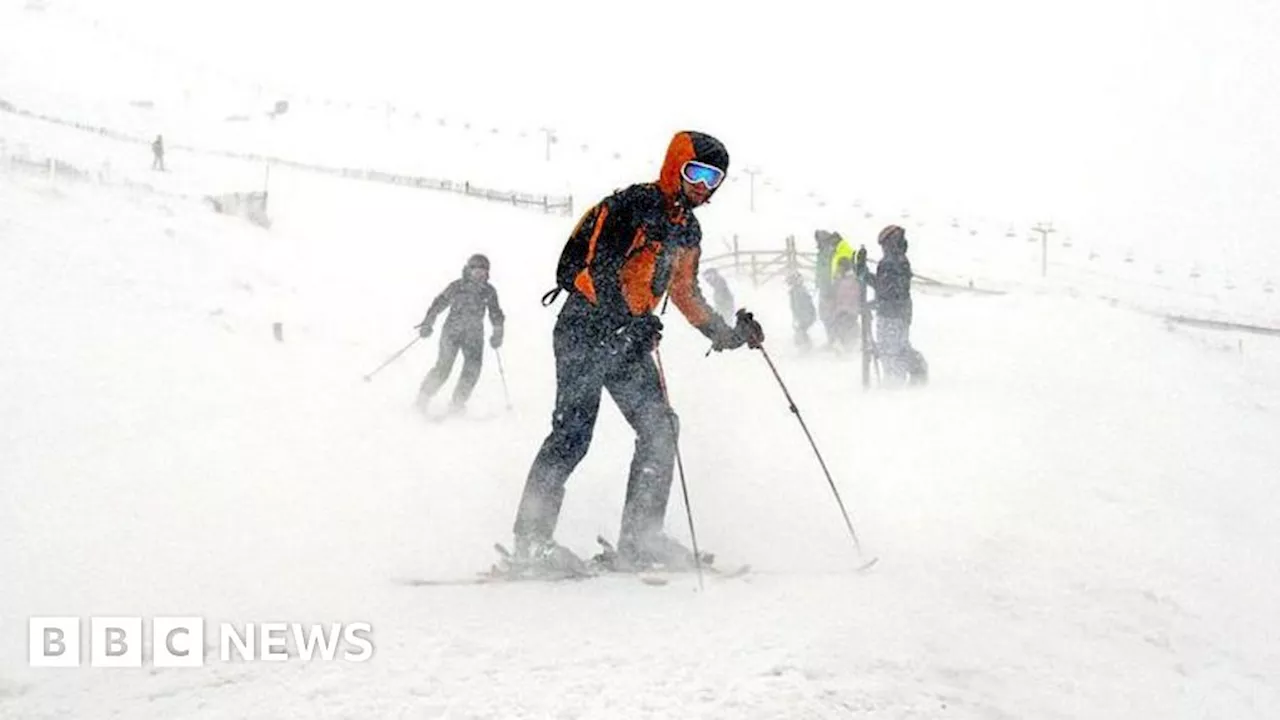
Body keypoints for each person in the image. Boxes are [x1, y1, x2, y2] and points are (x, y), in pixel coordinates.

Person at [511, 131, 764, 574]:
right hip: (585, 330)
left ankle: (641, 538)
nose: (703, 185)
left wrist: (725, 334)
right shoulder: (633, 206)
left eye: (713, 178)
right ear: (675, 166)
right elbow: (600, 268)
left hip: (630, 339)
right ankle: (530, 543)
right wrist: (629, 318)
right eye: (696, 172)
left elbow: (684, 290)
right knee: (572, 434)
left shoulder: (687, 228)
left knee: (660, 427)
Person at [414, 254, 505, 415]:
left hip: (474, 336)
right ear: (468, 270)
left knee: (473, 369)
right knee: (443, 368)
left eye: (483, 272)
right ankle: (423, 398)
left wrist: (498, 333)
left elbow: (496, 314)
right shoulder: (457, 287)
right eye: (476, 271)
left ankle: (457, 404)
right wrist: (428, 323)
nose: (479, 275)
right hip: (451, 332)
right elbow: (439, 304)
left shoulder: (488, 291)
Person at [859, 226, 925, 385]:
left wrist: (863, 274)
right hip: (901, 312)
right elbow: (889, 288)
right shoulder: (900, 260)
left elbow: (885, 289)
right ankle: (917, 369)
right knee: (899, 346)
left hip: (891, 313)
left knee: (890, 351)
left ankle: (894, 384)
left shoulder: (890, 262)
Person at [829, 257, 862, 352]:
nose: (838, 269)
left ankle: (850, 348)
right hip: (842, 311)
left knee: (847, 330)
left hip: (848, 311)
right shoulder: (840, 280)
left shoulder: (851, 280)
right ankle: (846, 347)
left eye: (840, 267)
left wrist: (844, 308)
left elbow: (852, 296)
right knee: (841, 330)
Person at [786, 271, 817, 351]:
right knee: (800, 331)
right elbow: (795, 307)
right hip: (801, 316)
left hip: (805, 316)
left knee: (800, 331)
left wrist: (805, 317)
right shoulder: (794, 292)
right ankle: (805, 346)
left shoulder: (800, 291)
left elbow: (805, 305)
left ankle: (806, 347)